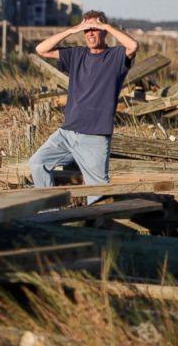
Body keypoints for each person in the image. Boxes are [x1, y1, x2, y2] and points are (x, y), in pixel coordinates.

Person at [28, 10, 138, 203]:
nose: (90, 34)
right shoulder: (76, 54)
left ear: (104, 31)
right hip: (66, 133)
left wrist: (107, 26)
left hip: (94, 136)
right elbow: (41, 49)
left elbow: (133, 45)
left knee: (98, 191)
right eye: (87, 30)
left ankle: (92, 228)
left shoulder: (116, 57)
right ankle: (49, 215)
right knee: (37, 162)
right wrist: (73, 30)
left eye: (95, 29)